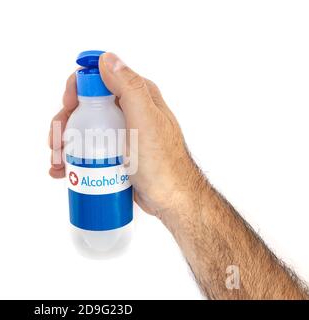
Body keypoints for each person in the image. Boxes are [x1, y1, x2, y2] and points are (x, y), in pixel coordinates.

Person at [48, 52, 308, 300]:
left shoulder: (112, 117)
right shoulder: (81, 120)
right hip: (88, 233)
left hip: (118, 231)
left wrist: (176, 192)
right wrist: (178, 195)